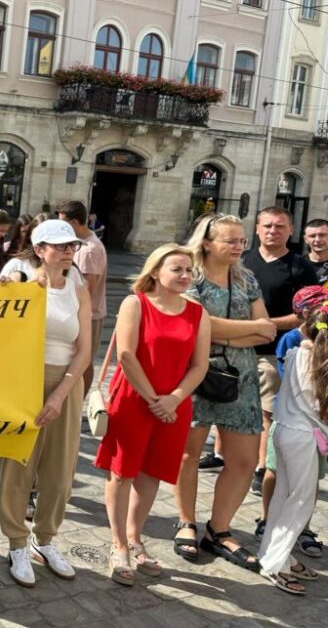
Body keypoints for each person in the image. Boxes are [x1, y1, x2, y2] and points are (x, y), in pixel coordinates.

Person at [94, 245, 210, 586]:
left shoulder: (197, 312)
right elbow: (126, 355)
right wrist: (153, 399)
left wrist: (172, 399)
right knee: (122, 472)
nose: (185, 275)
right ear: (155, 272)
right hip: (133, 399)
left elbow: (200, 365)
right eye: (177, 269)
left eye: (189, 269)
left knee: (151, 473)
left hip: (175, 405)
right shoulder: (136, 303)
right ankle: (118, 545)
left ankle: (135, 538)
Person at [173, 214, 275, 570]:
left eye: (241, 241)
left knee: (245, 460)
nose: (238, 247)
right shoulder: (191, 278)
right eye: (229, 240)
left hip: (242, 379)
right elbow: (197, 321)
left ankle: (218, 530)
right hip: (197, 374)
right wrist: (241, 331)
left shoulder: (246, 278)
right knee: (189, 454)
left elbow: (267, 332)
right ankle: (186, 521)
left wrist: (223, 333)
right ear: (206, 242)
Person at [0, 219, 91, 587]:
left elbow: (84, 349)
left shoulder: (77, 286)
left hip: (66, 381)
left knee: (60, 469)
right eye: (60, 246)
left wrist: (60, 393)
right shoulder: (22, 280)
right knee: (18, 465)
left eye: (72, 245)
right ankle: (16, 542)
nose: (68, 251)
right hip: (24, 380)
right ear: (40, 250)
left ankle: (47, 539)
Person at [242, 208, 318, 498]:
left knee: (267, 413)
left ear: (290, 230)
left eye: (279, 226)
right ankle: (230, 457)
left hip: (273, 353)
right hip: (236, 350)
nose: (273, 231)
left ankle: (262, 467)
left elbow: (307, 315)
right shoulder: (243, 261)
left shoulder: (299, 267)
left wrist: (264, 324)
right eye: (268, 226)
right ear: (258, 229)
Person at [256, 307, 328, 594]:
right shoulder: (322, 364)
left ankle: (275, 555)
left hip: (284, 431)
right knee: (300, 502)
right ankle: (276, 564)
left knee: (283, 498)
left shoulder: (297, 353)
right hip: (304, 438)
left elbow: (304, 338)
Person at [59, 200, 108, 395]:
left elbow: (88, 288)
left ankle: (79, 399)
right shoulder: (82, 245)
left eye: (63, 223)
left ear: (75, 222)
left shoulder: (88, 250)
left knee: (84, 360)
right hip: (83, 314)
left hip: (89, 315)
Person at [303, 218, 328, 285]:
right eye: (312, 236)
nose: (317, 239)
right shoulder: (296, 264)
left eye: (322, 235)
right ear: (305, 239)